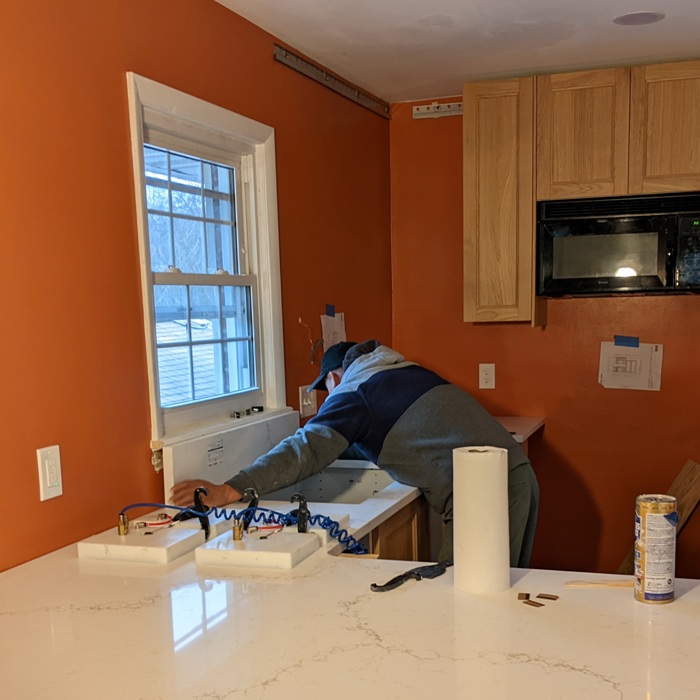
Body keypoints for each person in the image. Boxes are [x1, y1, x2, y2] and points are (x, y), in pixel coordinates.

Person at [171, 340, 539, 567]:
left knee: (469, 611)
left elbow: (307, 448)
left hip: (485, 493)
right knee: (497, 606)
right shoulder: (400, 371)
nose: (327, 399)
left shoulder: (356, 392)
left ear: (334, 377)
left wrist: (229, 489)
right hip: (516, 477)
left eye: (325, 390)